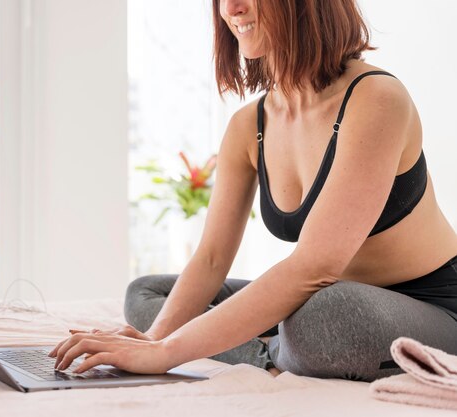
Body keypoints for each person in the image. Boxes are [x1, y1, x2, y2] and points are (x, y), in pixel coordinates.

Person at [48, 0, 457, 382]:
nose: (230, 8)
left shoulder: (375, 98)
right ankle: (275, 352)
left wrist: (168, 353)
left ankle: (275, 348)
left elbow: (315, 267)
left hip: (431, 306)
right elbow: (210, 260)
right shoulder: (249, 125)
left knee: (322, 317)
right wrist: (153, 339)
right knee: (147, 295)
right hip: (324, 294)